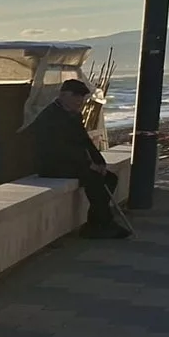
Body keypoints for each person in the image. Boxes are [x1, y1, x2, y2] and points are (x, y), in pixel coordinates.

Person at [30, 78, 127, 238]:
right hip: (53, 164)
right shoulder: (50, 117)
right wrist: (89, 165)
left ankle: (96, 223)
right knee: (94, 179)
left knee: (110, 178)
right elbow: (61, 149)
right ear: (63, 95)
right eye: (75, 96)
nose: (79, 100)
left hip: (72, 162)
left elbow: (84, 140)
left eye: (81, 97)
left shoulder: (74, 115)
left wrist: (99, 161)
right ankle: (103, 223)